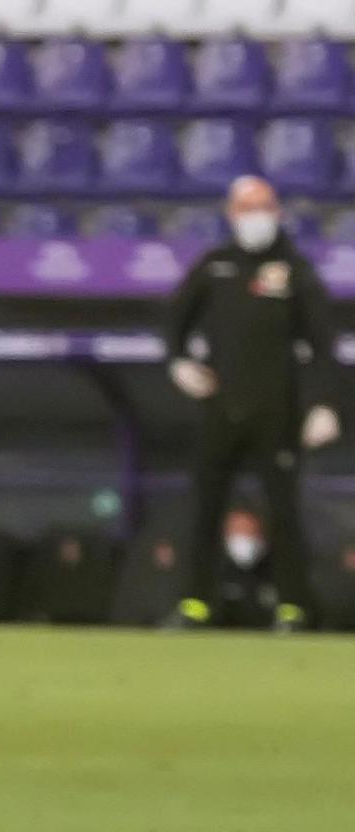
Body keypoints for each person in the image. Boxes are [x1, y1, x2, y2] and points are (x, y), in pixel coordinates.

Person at [164, 175, 341, 633]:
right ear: (230, 214)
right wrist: (178, 362)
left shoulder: (296, 271)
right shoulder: (215, 265)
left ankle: (294, 608)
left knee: (284, 512)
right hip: (220, 408)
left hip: (276, 412)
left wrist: (325, 404)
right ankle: (195, 605)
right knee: (204, 508)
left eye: (263, 206)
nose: (255, 216)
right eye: (246, 207)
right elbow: (173, 322)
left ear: (278, 212)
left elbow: (324, 345)